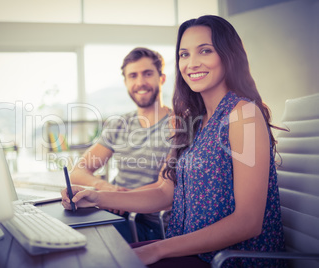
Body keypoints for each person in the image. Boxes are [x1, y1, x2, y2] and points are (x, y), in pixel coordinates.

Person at [62, 15, 286, 267]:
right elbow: (164, 193)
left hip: (228, 260)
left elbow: (248, 222)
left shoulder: (243, 115)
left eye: (205, 50)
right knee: (93, 256)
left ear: (228, 55)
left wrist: (158, 249)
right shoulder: (192, 121)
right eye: (184, 54)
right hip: (189, 249)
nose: (192, 63)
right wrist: (97, 196)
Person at [70, 47, 172, 242]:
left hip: (149, 225)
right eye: (133, 76)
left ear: (162, 78)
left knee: (83, 241)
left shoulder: (177, 126)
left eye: (147, 74)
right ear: (125, 82)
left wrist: (114, 199)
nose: (140, 82)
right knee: (62, 229)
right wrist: (104, 188)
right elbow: (78, 170)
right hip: (113, 212)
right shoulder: (119, 124)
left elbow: (163, 188)